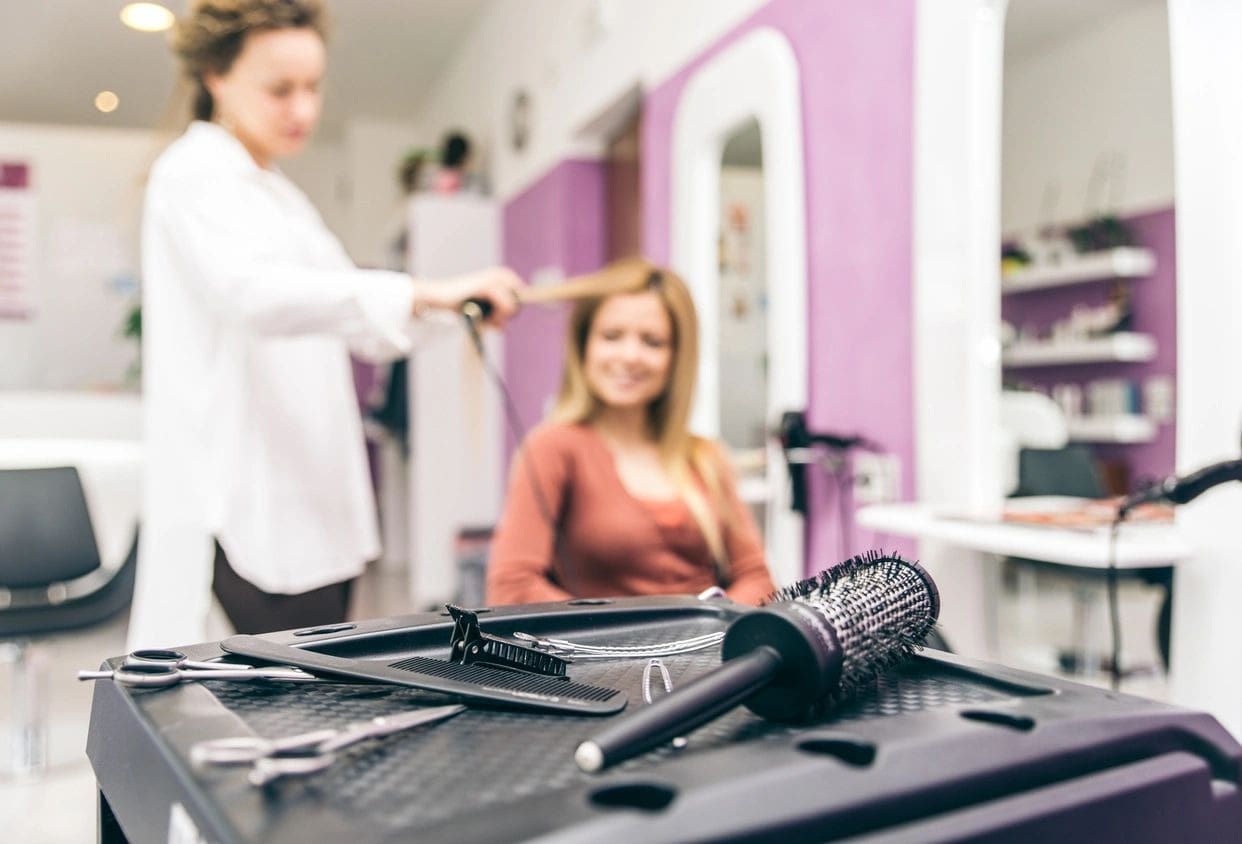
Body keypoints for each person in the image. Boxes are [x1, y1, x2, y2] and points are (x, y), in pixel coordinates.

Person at [128, 0, 522, 648]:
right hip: (247, 507)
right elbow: (254, 295)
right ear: (215, 77)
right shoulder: (193, 174)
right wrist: (426, 291)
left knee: (321, 702)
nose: (304, 110)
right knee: (279, 711)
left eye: (312, 87)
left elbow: (364, 328)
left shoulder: (283, 197)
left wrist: (456, 309)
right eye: (280, 89)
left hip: (318, 501)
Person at [485, 259, 777, 607]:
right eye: (611, 336)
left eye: (652, 342)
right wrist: (630, 641)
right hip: (607, 656)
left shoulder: (705, 456)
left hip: (711, 654)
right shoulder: (553, 448)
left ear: (676, 357)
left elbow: (756, 576)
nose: (630, 356)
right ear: (584, 346)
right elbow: (512, 587)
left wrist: (710, 631)